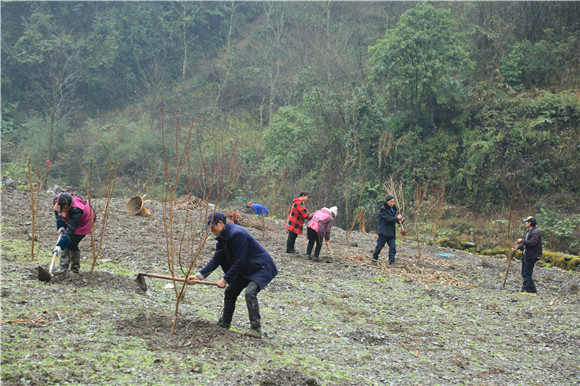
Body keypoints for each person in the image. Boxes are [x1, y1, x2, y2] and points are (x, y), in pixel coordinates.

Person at [190, 212, 278, 338]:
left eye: (212, 227)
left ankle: (255, 329)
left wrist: (225, 279)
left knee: (250, 293)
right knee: (230, 292)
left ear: (220, 223)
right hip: (247, 267)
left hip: (261, 267)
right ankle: (225, 323)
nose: (212, 230)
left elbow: (239, 261)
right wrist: (199, 276)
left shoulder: (237, 234)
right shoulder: (222, 237)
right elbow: (216, 259)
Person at [52, 192, 95, 274]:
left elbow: (70, 231)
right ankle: (63, 267)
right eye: (62, 208)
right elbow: (57, 213)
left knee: (72, 243)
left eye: (66, 208)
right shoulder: (56, 200)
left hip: (85, 221)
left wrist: (59, 246)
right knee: (67, 242)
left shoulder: (76, 210)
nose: (64, 210)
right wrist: (61, 225)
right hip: (71, 218)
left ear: (70, 205)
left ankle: (75, 269)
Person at [512, 216, 542, 293]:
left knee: (526, 274)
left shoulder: (535, 232)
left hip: (532, 256)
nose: (525, 223)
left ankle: (524, 290)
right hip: (526, 255)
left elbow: (532, 243)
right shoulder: (528, 232)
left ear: (530, 223)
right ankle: (532, 289)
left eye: (526, 222)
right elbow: (525, 244)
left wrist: (522, 240)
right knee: (524, 273)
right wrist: (517, 248)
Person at [371, 195, 402, 265]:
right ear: (387, 202)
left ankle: (391, 262)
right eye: (391, 201)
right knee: (379, 247)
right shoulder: (383, 209)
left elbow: (393, 219)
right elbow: (388, 219)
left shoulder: (393, 209)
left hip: (391, 233)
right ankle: (374, 259)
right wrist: (396, 218)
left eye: (393, 201)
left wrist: (399, 221)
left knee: (393, 248)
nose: (392, 203)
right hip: (383, 232)